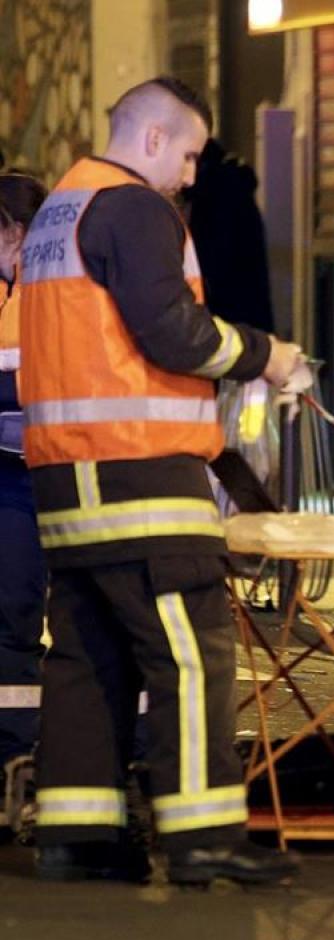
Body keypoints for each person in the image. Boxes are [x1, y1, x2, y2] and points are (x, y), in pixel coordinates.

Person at [16, 77, 303, 886]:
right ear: (152, 140)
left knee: (86, 655)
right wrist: (266, 355)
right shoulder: (136, 207)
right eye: (188, 154)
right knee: (191, 655)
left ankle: (78, 835)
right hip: (141, 475)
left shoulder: (57, 212)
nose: (189, 174)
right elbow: (175, 333)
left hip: (66, 480)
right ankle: (203, 837)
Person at [0, 173, 47, 774]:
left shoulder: (56, 293)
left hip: (50, 472)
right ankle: (13, 752)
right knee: (11, 616)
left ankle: (20, 750)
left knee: (21, 618)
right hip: (12, 478)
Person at [182, 138, 275, 336]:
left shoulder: (215, 196)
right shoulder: (233, 188)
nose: (185, 179)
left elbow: (211, 259)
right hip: (246, 314)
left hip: (227, 313)